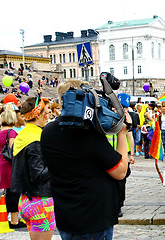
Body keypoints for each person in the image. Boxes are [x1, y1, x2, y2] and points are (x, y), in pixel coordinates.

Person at [41, 80, 130, 239]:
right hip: (93, 219)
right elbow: (120, 171)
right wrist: (122, 134)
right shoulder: (87, 133)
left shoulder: (47, 130)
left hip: (66, 216)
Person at [10, 97, 55, 239]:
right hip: (41, 201)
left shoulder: (23, 135)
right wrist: (57, 162)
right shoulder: (36, 139)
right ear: (38, 115)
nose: (49, 116)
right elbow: (38, 174)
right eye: (47, 112)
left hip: (25, 200)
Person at [0, 104, 26, 228]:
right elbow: (13, 149)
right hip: (10, 164)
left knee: (8, 191)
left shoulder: (1, 131)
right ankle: (14, 219)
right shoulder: (11, 132)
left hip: (3, 162)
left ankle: (9, 216)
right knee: (14, 191)